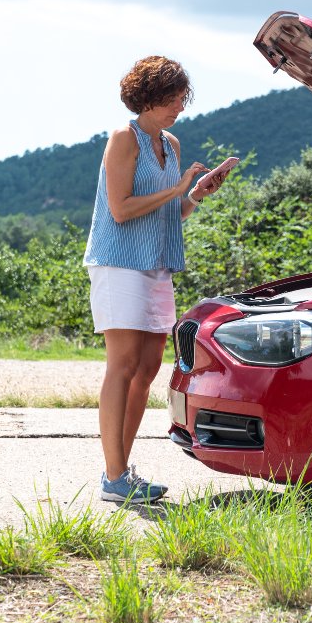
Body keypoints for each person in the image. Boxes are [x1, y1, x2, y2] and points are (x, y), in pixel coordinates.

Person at [83, 55, 226, 503]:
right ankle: (113, 477)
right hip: (120, 264)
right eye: (171, 99)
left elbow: (170, 212)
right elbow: (121, 209)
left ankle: (120, 474)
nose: (178, 107)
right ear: (146, 98)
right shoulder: (124, 139)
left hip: (157, 265)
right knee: (121, 366)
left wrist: (196, 197)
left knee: (145, 371)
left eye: (182, 99)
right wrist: (178, 187)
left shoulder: (172, 142)